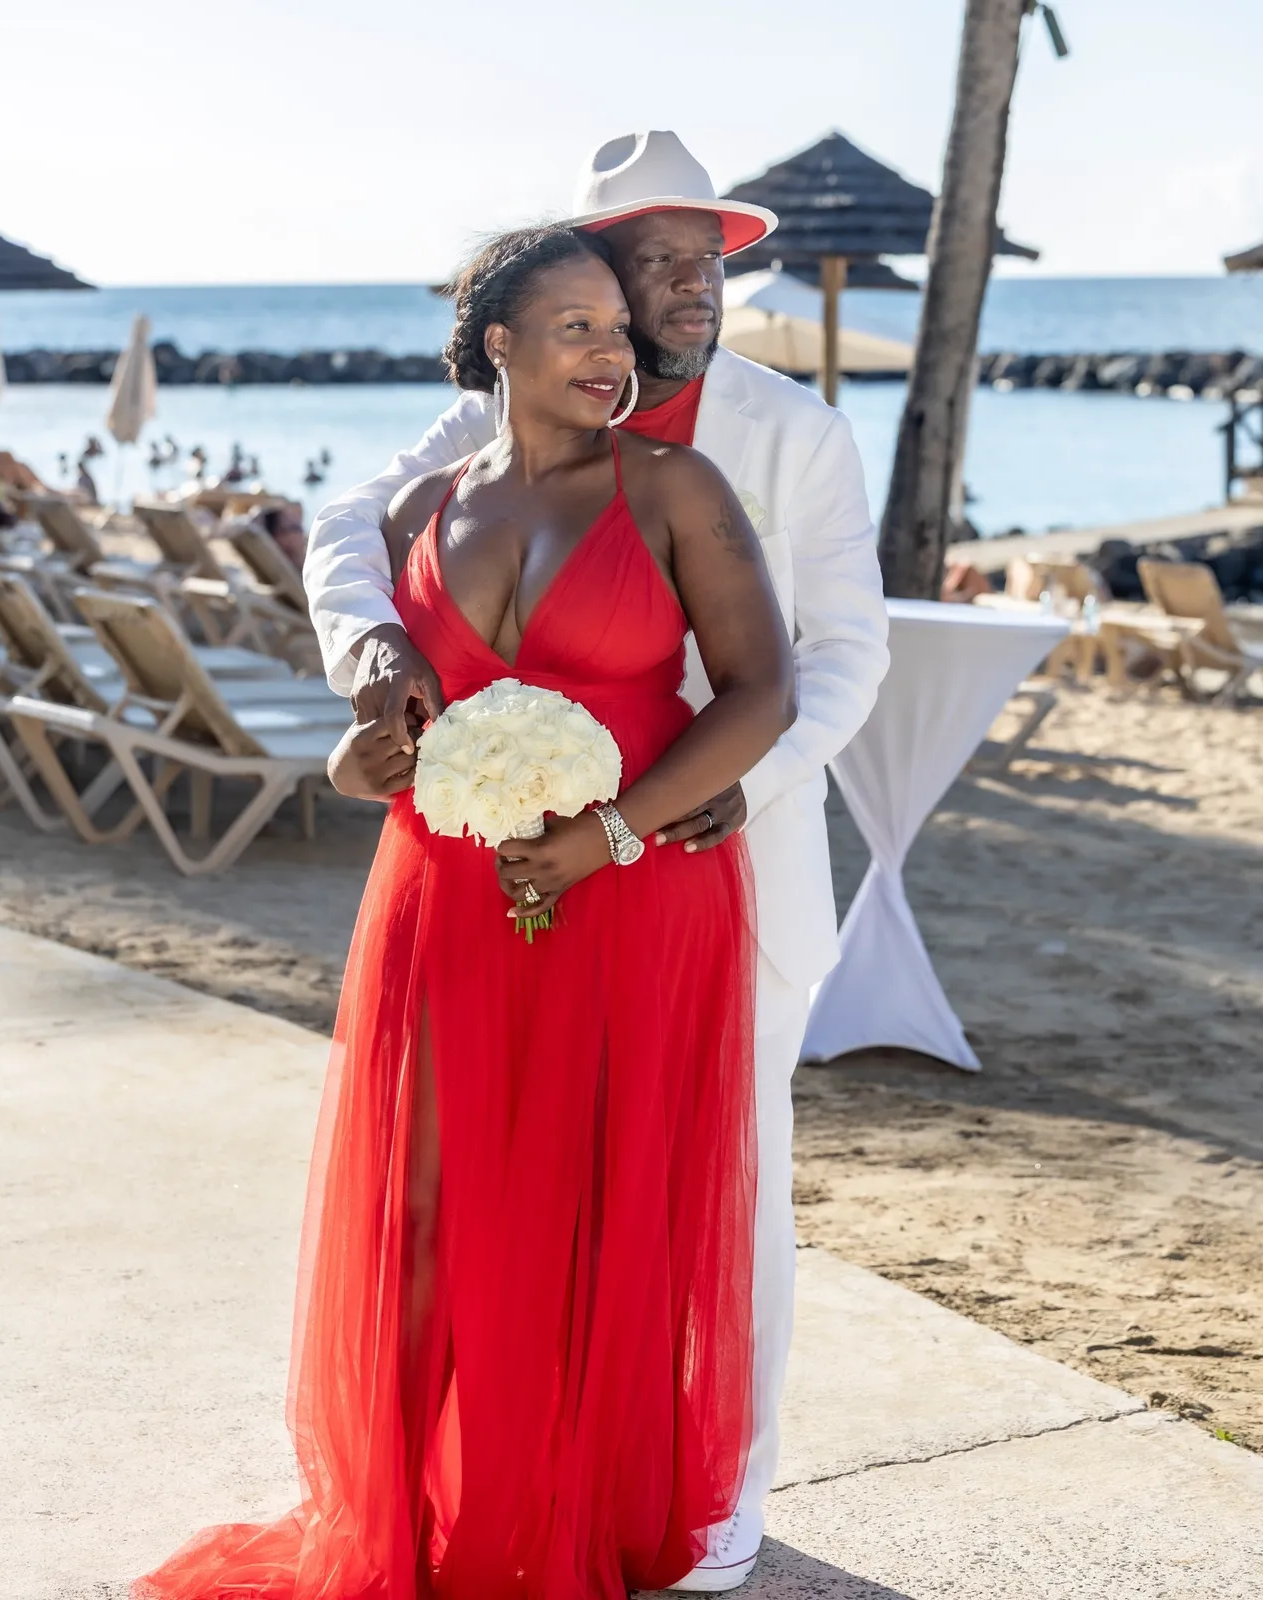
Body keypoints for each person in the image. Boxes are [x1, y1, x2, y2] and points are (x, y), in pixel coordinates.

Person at [136, 225, 795, 1599]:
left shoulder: (675, 486)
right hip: (443, 898)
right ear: (499, 345)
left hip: (627, 896)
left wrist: (609, 836)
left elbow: (760, 694)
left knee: (597, 1207)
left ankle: (561, 1516)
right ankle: (433, 1518)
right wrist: (356, 752)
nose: (615, 355)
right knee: (431, 1209)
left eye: (621, 331)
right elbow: (374, 745)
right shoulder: (416, 514)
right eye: (579, 329)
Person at [305, 131, 889, 1593]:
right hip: (466, 892)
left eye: (706, 265)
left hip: (703, 861)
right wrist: (372, 666)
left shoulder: (786, 434)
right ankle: (471, 1489)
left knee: (702, 1198)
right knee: (467, 1198)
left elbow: (835, 659)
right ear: (577, 280)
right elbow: (347, 542)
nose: (690, 290)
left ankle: (711, 1503)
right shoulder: (467, 447)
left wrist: (689, 805)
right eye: (658, 266)